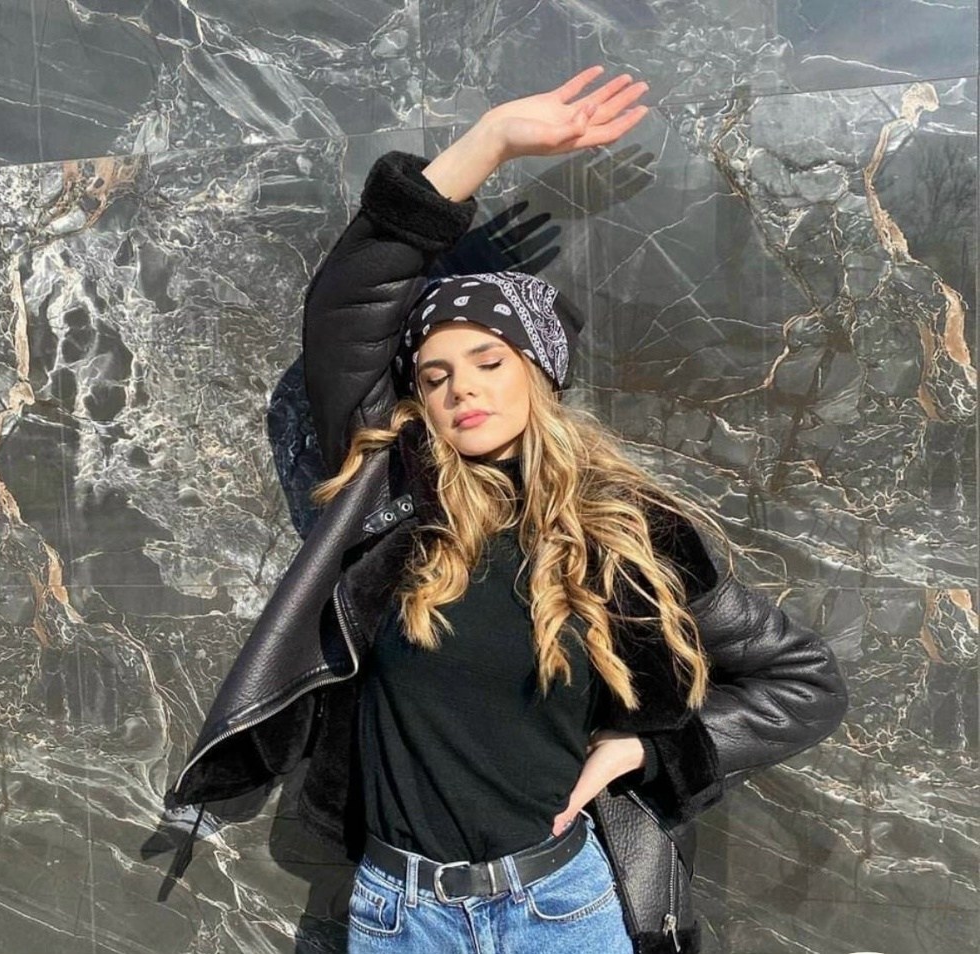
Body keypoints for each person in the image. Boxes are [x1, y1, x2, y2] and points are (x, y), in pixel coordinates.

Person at [166, 66, 849, 954]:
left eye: (490, 361)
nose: (462, 389)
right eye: (436, 375)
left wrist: (651, 751)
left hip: (565, 909)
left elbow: (802, 681)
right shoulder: (390, 498)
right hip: (399, 917)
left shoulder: (628, 532)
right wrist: (487, 141)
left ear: (538, 375)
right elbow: (349, 304)